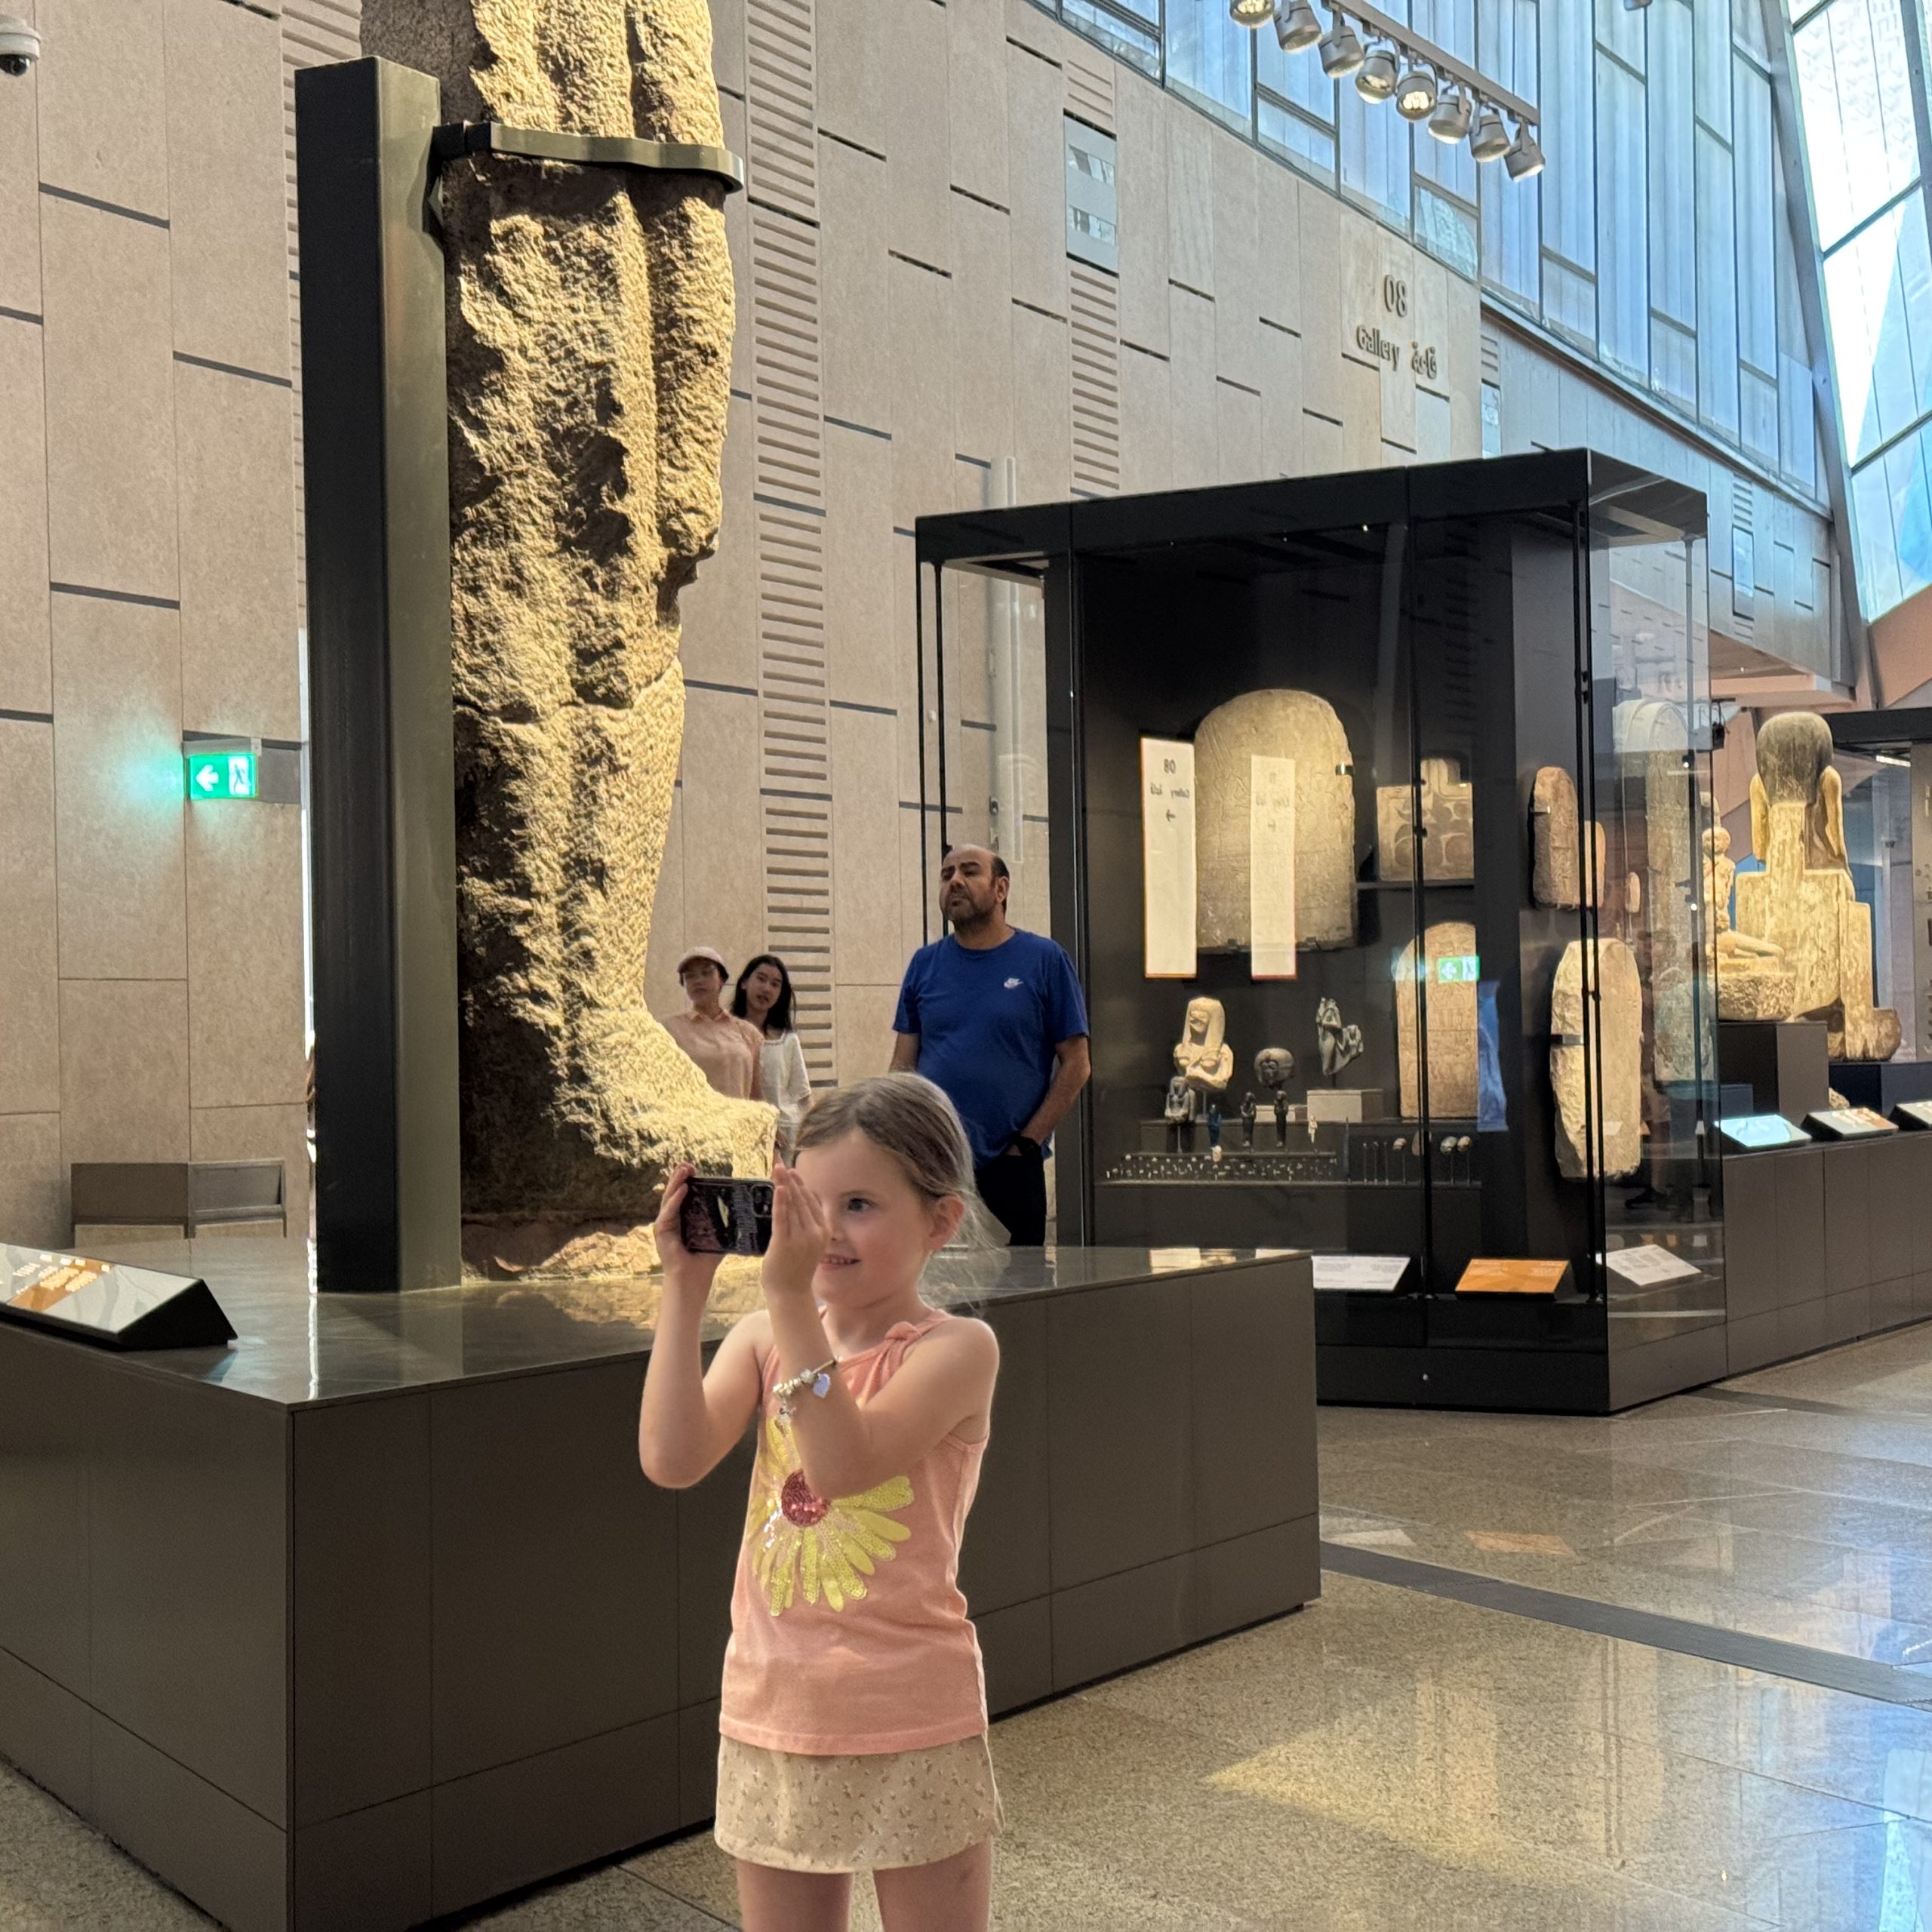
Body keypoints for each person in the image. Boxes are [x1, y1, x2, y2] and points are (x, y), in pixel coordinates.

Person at [638, 1075, 1003, 1932]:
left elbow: (842, 1465)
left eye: (860, 1205)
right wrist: (685, 1288)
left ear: (940, 1221)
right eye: (806, 1202)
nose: (827, 1231)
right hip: (774, 1702)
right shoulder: (767, 1337)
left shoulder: (956, 1350)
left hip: (911, 1708)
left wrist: (789, 1297)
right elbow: (672, 1458)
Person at [890, 845, 1090, 1247]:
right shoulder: (924, 964)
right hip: (934, 1163)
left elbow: (1077, 1064)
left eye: (969, 872)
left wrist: (1028, 1143)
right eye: (946, 875)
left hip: (1011, 1166)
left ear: (1001, 889)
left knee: (1019, 1282)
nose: (954, 882)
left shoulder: (1045, 960)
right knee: (932, 1277)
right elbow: (902, 1066)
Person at [734, 953, 812, 1160]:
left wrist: (816, 1136)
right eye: (761, 979)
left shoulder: (788, 1040)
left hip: (786, 1136)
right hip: (742, 1131)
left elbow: (803, 1096)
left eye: (775, 984)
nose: (767, 988)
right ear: (744, 983)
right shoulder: (727, 1034)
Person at [664, 946, 765, 1102]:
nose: (698, 981)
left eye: (707, 973)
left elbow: (757, 1094)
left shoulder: (748, 1033)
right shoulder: (668, 1030)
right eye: (690, 976)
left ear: (722, 980)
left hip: (739, 1115)